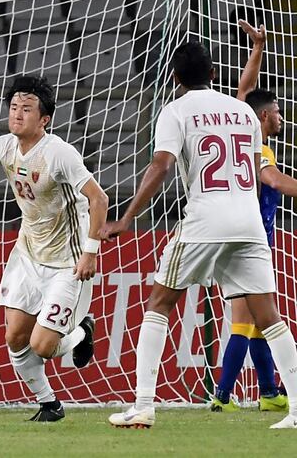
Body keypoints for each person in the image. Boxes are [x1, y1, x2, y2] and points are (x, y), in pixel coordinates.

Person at [102, 41, 297, 429]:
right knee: (269, 316)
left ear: (174, 78)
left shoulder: (175, 111)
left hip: (205, 221)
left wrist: (126, 218)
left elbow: (161, 165)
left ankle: (143, 405)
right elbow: (258, 170)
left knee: (159, 303)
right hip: (249, 223)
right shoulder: (243, 111)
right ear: (213, 74)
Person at [0, 75, 108, 422]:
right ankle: (49, 404)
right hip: (28, 255)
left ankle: (82, 332)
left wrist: (91, 252)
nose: (17, 114)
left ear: (44, 119)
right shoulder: (6, 146)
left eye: (27, 109)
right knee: (15, 337)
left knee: (43, 346)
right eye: (14, 107)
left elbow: (99, 198)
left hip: (68, 261)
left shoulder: (59, 153)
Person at [212, 21, 289, 412]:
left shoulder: (246, 129)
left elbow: (244, 91)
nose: (281, 119)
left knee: (258, 318)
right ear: (262, 118)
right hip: (247, 239)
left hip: (250, 237)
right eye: (276, 113)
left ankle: (269, 392)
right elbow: (274, 179)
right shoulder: (257, 149)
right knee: (246, 319)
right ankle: (223, 396)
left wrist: (257, 47)